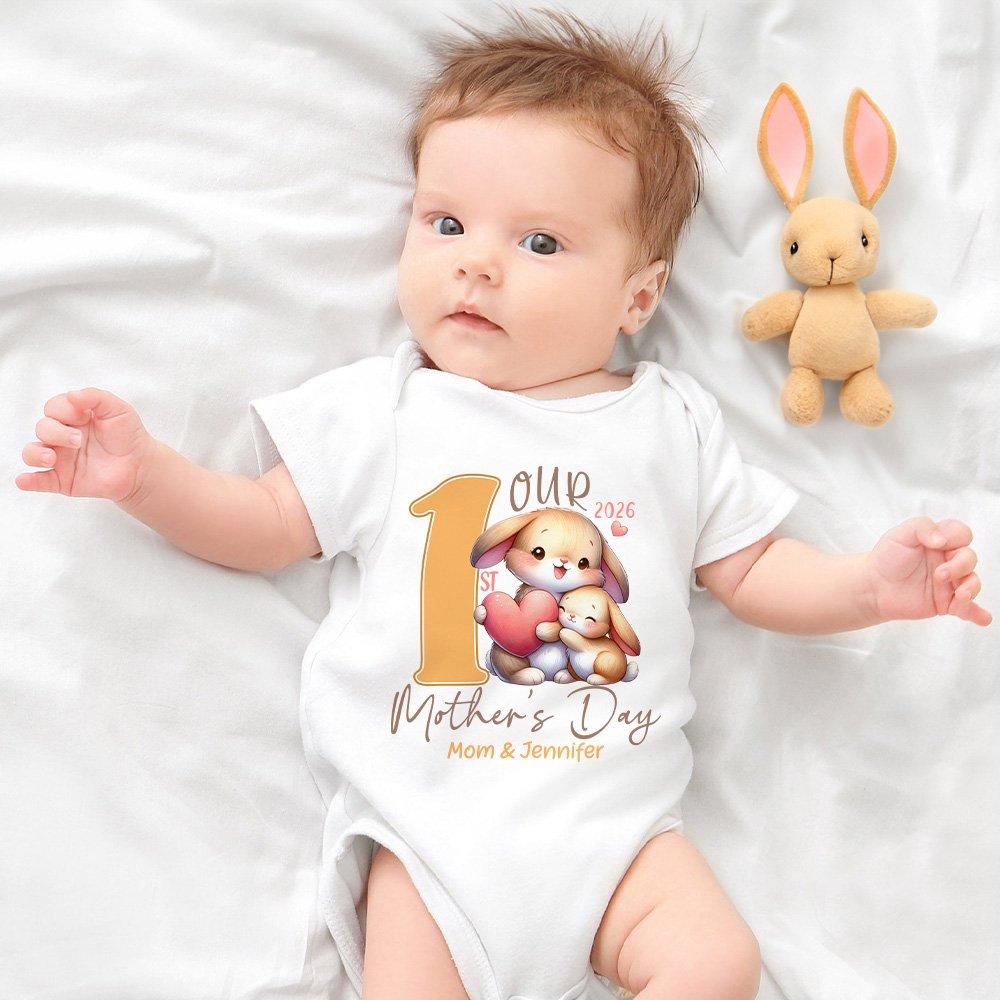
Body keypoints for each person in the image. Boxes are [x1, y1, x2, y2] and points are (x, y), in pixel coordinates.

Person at [15, 10, 990, 1000]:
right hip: (430, 832)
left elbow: (752, 568)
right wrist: (148, 478)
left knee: (715, 963)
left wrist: (867, 587)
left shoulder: (670, 422)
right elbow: (264, 522)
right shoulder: (386, 409)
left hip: (616, 830)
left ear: (638, 297)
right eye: (446, 224)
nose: (476, 262)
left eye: (539, 241)